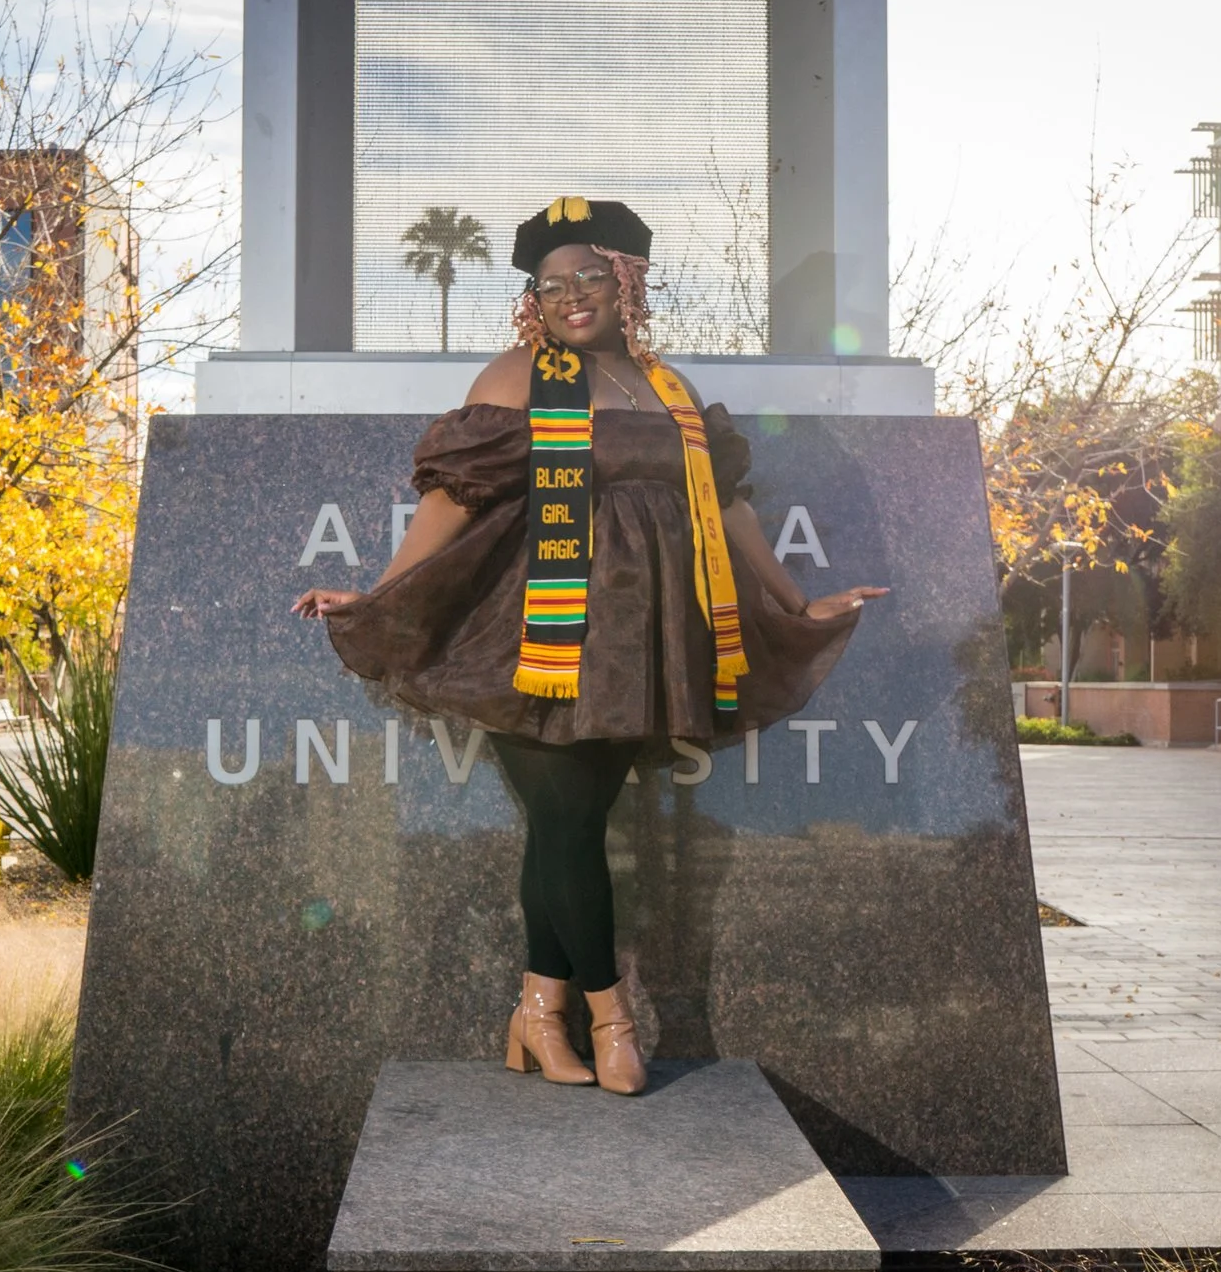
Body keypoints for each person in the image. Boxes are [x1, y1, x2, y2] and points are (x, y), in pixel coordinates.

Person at [295, 197, 885, 1096]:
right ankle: (611, 1016)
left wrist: (797, 599)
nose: (573, 296)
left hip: (633, 651)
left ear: (627, 281)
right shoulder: (516, 375)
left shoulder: (667, 387)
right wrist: (380, 592)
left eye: (591, 278)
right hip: (529, 637)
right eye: (552, 284)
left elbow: (727, 511)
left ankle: (536, 1012)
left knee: (560, 832)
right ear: (535, 299)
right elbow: (453, 500)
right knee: (569, 826)